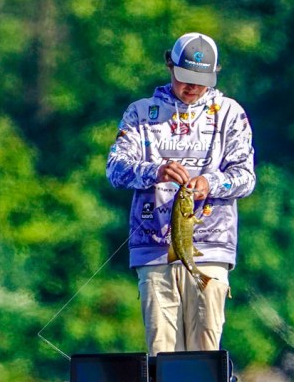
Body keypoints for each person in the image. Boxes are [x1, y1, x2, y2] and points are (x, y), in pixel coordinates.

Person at [107, 33, 256, 354]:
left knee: (205, 354)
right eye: (185, 77)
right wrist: (155, 171)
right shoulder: (140, 113)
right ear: (169, 65)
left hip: (210, 251)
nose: (192, 87)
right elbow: (115, 169)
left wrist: (210, 183)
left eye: (201, 81)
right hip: (153, 249)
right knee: (162, 353)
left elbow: (246, 177)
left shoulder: (230, 114)